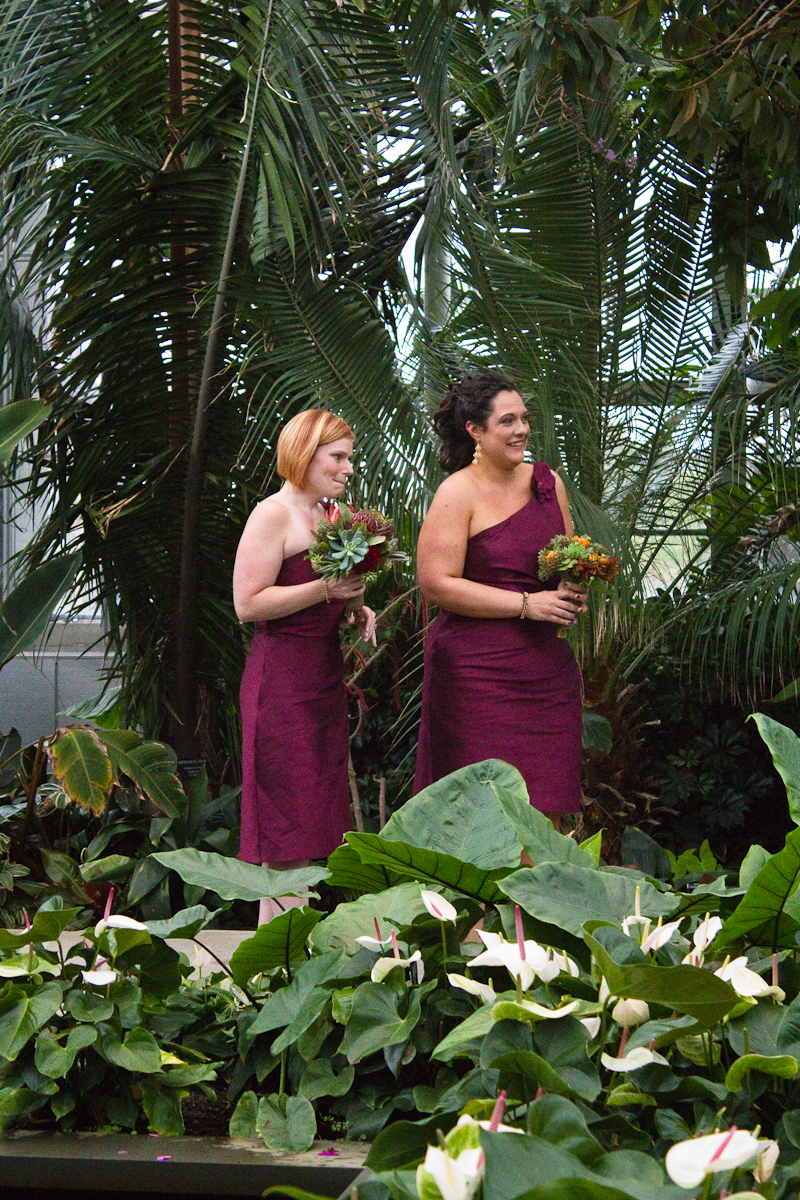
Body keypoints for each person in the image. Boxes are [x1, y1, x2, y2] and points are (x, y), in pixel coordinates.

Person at [413, 372, 588, 820]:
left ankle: (530, 894)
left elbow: (566, 557)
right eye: (508, 421)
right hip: (476, 678)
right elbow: (436, 584)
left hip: (545, 674)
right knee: (481, 817)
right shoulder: (457, 492)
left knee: (543, 812)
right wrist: (528, 605)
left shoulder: (547, 483)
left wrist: (571, 587)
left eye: (524, 419)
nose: (522, 430)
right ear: (475, 430)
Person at [233, 409, 376, 923]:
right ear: (303, 454)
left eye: (349, 458)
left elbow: (323, 594)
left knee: (311, 821)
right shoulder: (272, 514)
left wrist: (356, 605)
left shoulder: (329, 516)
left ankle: (290, 948)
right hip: (282, 683)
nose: (348, 469)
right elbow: (247, 604)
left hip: (321, 680)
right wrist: (325, 589)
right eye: (337, 457)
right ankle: (279, 953)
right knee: (285, 824)